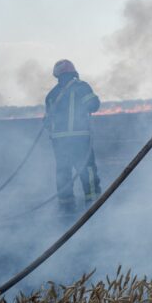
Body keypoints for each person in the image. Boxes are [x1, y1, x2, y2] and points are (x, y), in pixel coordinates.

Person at [44, 59, 102, 213]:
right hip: (80, 137)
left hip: (59, 141)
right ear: (73, 72)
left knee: (63, 172)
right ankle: (93, 203)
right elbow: (94, 105)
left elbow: (47, 121)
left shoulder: (51, 94)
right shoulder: (81, 87)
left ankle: (66, 205)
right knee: (87, 170)